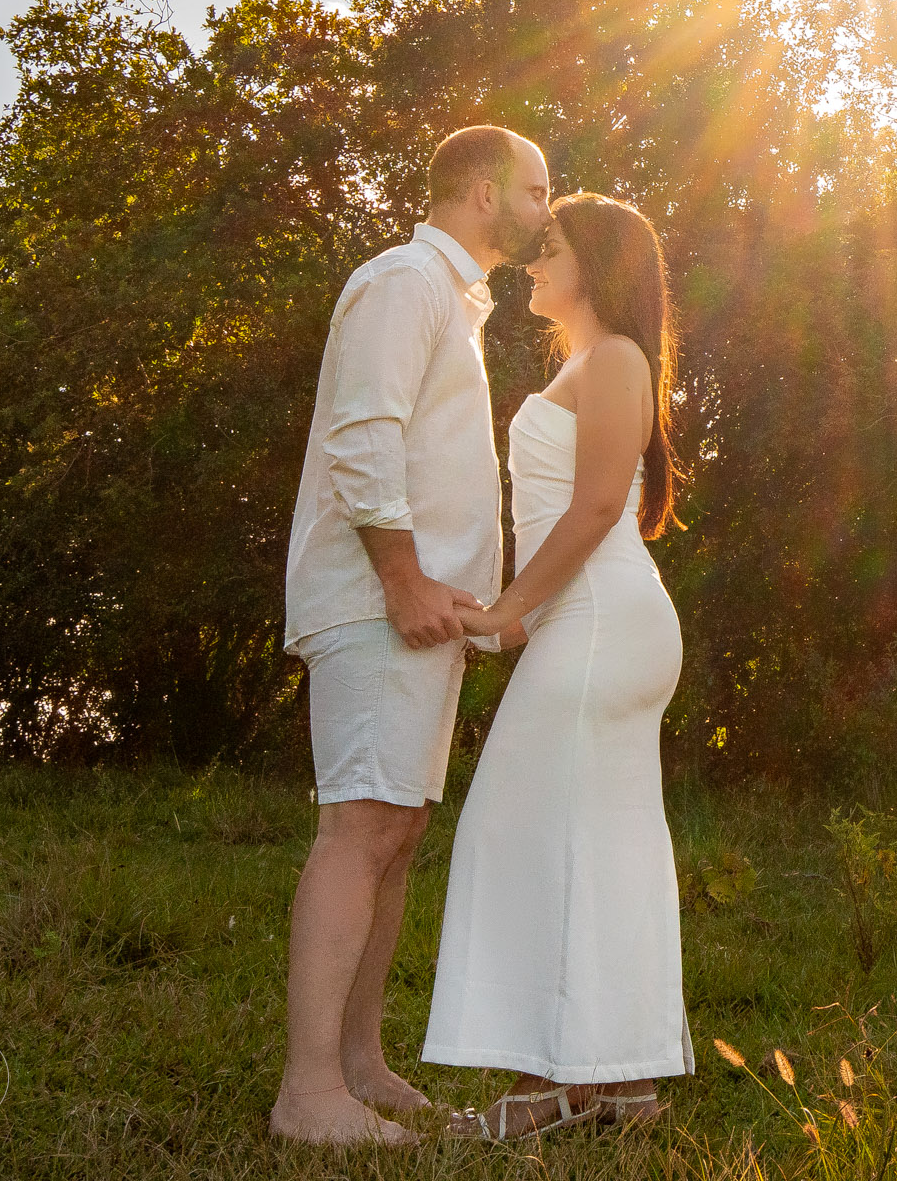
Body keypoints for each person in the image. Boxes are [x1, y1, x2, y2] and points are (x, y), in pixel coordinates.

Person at [272, 125, 551, 1147]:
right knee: (360, 830)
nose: (544, 208)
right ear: (481, 192)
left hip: (420, 611)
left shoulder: (454, 301)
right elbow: (362, 432)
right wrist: (400, 577)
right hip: (378, 601)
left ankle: (357, 1065)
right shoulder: (403, 280)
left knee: (394, 835)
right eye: (534, 189)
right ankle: (308, 1097)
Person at [426, 191, 694, 1139]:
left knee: (526, 831)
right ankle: (611, 1087)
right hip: (583, 620)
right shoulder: (587, 362)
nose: (533, 262)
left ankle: (566, 1086)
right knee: (583, 841)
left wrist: (509, 613)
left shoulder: (617, 359)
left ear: (600, 264)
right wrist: (522, 614)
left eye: (551, 248)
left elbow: (591, 512)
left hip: (603, 619)